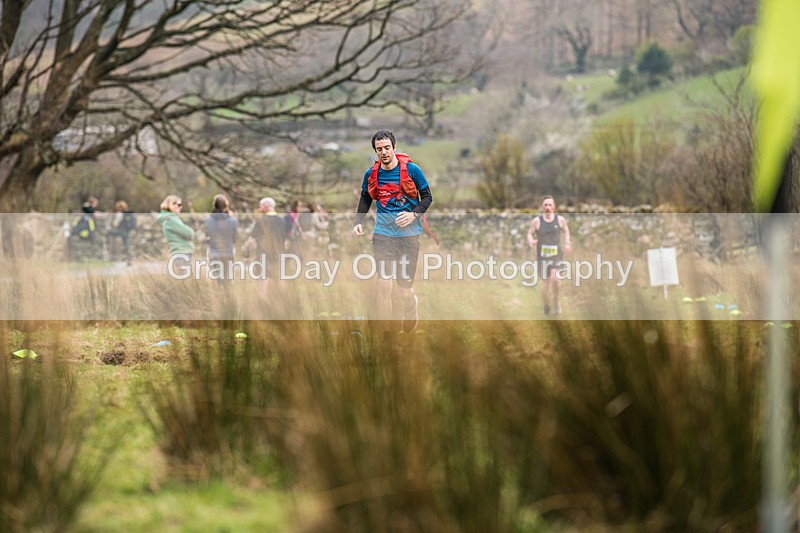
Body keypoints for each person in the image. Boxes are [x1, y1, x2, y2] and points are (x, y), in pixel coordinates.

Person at [352, 130, 433, 333]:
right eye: (379, 149)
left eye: (387, 148)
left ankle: (411, 305)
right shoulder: (371, 174)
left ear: (394, 148)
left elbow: (427, 197)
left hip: (408, 236)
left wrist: (413, 215)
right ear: (375, 151)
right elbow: (365, 197)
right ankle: (386, 333)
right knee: (384, 284)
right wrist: (358, 221)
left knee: (403, 291)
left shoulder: (412, 170)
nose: (384, 152)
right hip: (383, 235)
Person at [527, 195, 572, 315]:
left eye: (550, 205)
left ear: (554, 206)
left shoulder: (560, 220)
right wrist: (531, 240)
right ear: (542, 206)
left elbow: (566, 231)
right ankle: (546, 305)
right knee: (545, 286)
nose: (547, 207)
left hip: (556, 256)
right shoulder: (537, 221)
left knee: (556, 279)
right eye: (545, 205)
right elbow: (530, 233)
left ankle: (556, 300)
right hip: (542, 257)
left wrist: (567, 242)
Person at [247, 197, 288, 298]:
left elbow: (252, 241)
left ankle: (262, 302)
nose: (259, 209)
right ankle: (283, 302)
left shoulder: (260, 221)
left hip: (263, 255)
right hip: (279, 254)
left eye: (261, 207)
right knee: (280, 281)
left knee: (263, 283)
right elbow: (285, 240)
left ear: (265, 207)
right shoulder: (282, 221)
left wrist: (247, 255)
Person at [204, 194, 239, 282]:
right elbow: (235, 238)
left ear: (214, 205)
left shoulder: (208, 221)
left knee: (215, 280)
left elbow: (207, 237)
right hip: (228, 253)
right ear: (226, 205)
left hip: (213, 254)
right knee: (228, 280)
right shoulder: (233, 221)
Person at [158, 194, 194, 273]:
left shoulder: (169, 218)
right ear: (169, 205)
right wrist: (190, 231)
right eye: (175, 204)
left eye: (180, 205)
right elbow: (189, 233)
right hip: (181, 253)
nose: (178, 206)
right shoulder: (171, 219)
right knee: (185, 278)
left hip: (179, 253)